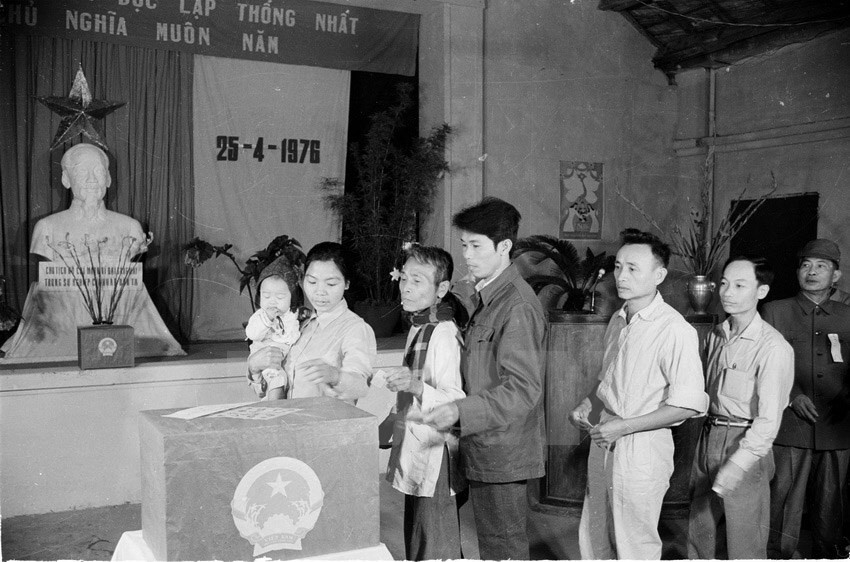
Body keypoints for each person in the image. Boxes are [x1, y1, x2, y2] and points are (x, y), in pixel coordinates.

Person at [569, 228, 708, 560]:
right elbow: (610, 380)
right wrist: (589, 402)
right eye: (618, 266)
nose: (621, 276)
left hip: (643, 447)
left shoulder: (674, 329)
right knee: (594, 533)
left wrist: (625, 426)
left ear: (659, 275)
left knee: (635, 544)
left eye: (633, 268)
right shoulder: (619, 320)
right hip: (605, 438)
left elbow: (687, 405)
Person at [420, 197, 546, 560]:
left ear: (504, 247)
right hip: (484, 441)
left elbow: (522, 389)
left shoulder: (516, 305)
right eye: (464, 245)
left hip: (502, 450)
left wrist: (460, 410)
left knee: (502, 548)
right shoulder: (486, 295)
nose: (467, 255)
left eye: (476, 246)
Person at [687, 256, 794, 559]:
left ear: (761, 292)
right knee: (699, 531)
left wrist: (737, 463)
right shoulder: (716, 336)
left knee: (743, 541)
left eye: (739, 285)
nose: (727, 292)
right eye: (723, 284)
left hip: (744, 443)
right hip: (708, 436)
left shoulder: (773, 348)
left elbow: (768, 422)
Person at [764, 238, 850, 559]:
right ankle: (778, 553)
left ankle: (828, 553)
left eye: (821, 266)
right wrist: (792, 395)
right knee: (784, 492)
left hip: (838, 421)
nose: (811, 272)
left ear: (836, 276)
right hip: (791, 421)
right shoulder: (775, 311)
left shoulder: (846, 315)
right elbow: (764, 366)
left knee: (832, 496)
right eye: (806, 265)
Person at [384, 244, 467, 561]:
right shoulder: (421, 324)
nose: (405, 286)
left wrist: (415, 384)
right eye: (404, 277)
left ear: (442, 288)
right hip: (417, 441)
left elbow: (455, 398)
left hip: (436, 452)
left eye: (417, 280)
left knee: (435, 540)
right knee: (418, 534)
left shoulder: (443, 333)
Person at [247, 242, 376, 403]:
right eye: (312, 282)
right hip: (286, 424)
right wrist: (254, 367)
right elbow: (265, 390)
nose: (319, 291)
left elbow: (361, 386)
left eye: (331, 284)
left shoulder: (355, 329)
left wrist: (336, 376)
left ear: (347, 283)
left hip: (326, 425)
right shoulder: (297, 322)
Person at [30, 143, 146, 259]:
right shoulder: (46, 228)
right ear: (66, 179)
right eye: (82, 171)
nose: (92, 179)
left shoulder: (131, 228)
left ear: (108, 178)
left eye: (99, 171)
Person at [245, 255, 304, 400]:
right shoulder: (260, 316)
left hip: (280, 356)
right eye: (266, 296)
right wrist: (268, 319)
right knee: (277, 378)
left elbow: (293, 333)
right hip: (264, 353)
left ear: (292, 298)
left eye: (280, 297)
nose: (272, 302)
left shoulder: (291, 315)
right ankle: (274, 407)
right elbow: (252, 333)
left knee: (279, 379)